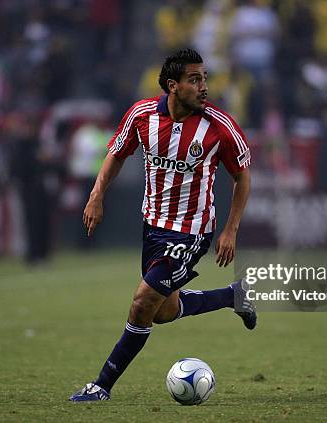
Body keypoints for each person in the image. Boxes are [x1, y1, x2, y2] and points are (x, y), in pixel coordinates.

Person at [69, 48, 255, 402]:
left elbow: (242, 178)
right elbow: (116, 153)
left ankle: (101, 385)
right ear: (173, 85)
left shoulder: (220, 126)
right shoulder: (141, 116)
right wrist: (96, 195)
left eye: (205, 78)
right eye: (194, 79)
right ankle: (233, 296)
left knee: (142, 304)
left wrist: (230, 229)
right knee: (164, 311)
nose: (204, 86)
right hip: (153, 227)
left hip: (192, 231)